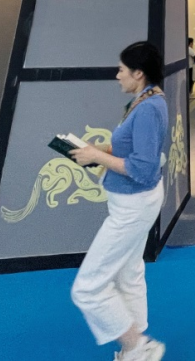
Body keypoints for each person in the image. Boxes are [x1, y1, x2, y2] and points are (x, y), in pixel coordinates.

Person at [70, 41, 169, 361]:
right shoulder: (145, 100)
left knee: (87, 288)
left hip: (132, 206)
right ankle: (137, 345)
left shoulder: (149, 108)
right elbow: (134, 150)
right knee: (129, 272)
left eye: (122, 70)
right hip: (133, 203)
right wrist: (97, 150)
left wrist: (97, 156)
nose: (117, 75)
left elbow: (142, 168)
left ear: (138, 73)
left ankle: (136, 346)